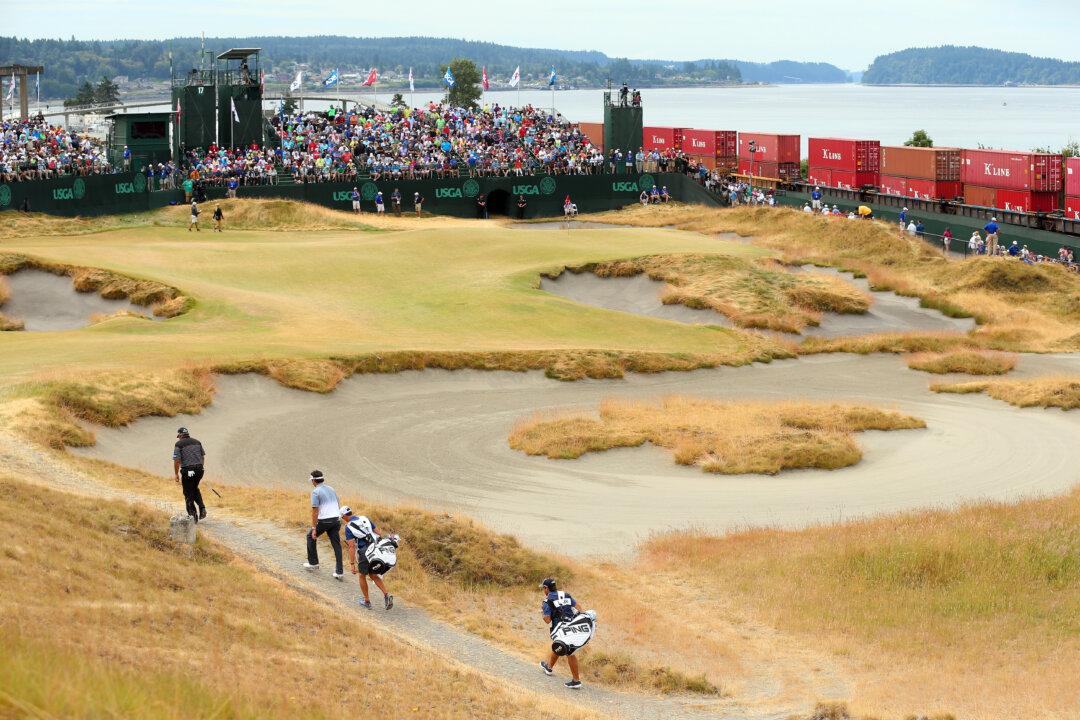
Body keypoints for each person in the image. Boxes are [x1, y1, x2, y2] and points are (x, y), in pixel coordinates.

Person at [341, 506, 394, 610]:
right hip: (376, 548)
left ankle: (367, 601)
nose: (343, 520)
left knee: (362, 575)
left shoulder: (348, 527)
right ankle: (386, 595)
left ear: (345, 516)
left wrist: (352, 564)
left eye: (342, 518)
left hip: (365, 552)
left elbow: (351, 547)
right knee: (373, 574)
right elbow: (378, 532)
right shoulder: (365, 518)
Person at [538, 578, 586, 689]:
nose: (543, 591)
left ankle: (576, 681)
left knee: (569, 652)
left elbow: (547, 620)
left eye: (543, 588)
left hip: (561, 630)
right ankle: (549, 667)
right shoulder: (566, 595)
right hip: (572, 626)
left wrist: (542, 612)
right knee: (558, 645)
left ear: (546, 589)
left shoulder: (547, 601)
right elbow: (578, 608)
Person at [303, 470, 344, 579]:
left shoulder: (315, 492)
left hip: (325, 521)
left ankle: (313, 563)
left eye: (312, 480)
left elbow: (315, 511)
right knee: (336, 545)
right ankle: (339, 572)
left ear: (314, 481)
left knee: (310, 536)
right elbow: (338, 504)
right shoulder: (331, 489)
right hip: (336, 520)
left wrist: (314, 528)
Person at [173, 427, 206, 522]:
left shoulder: (179, 444)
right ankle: (202, 508)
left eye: (178, 436)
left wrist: (176, 474)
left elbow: (177, 461)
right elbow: (202, 456)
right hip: (200, 470)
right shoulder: (197, 442)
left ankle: (193, 517)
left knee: (187, 493)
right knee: (195, 488)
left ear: (180, 435)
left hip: (188, 471)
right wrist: (200, 467)